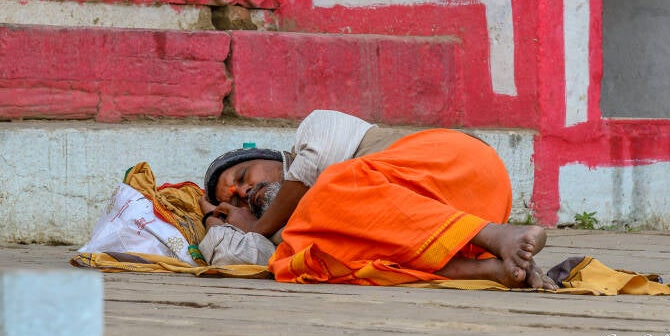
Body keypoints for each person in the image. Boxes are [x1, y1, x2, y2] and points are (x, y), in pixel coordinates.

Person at [199, 110, 556, 289]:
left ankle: (495, 235)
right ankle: (491, 270)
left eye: (243, 178)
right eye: (238, 201)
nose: (245, 194)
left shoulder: (316, 129)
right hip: (450, 227)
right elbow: (234, 256)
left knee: (333, 184)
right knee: (305, 260)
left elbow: (309, 173)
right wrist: (215, 220)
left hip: (463, 166)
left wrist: (258, 228)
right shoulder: (303, 224)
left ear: (276, 158)